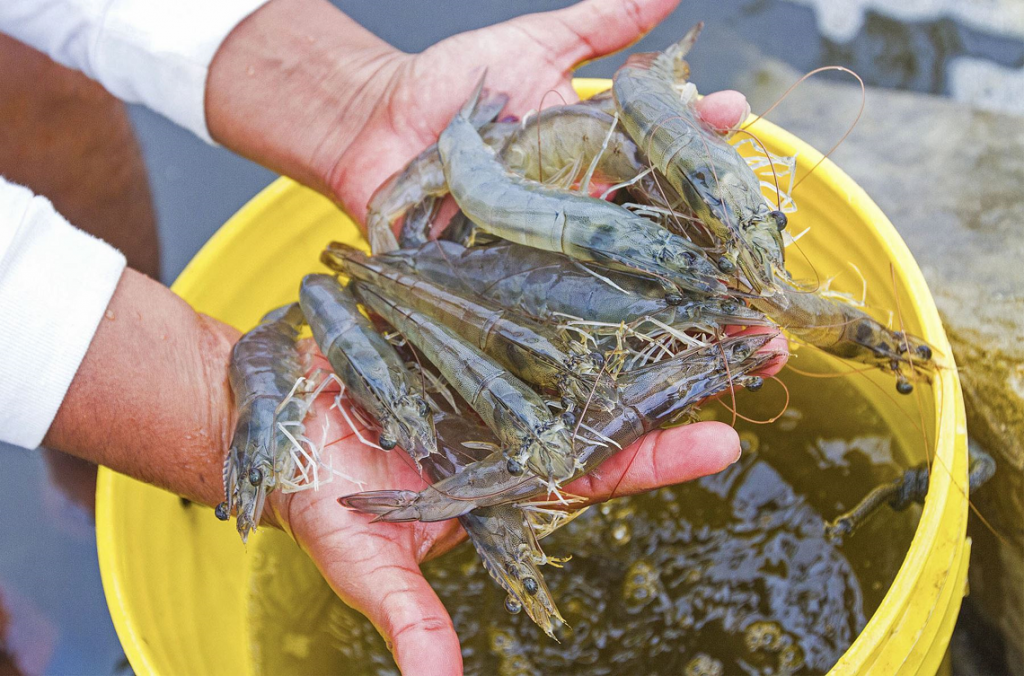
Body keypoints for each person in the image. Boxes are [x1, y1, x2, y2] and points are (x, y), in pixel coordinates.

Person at [0, 0, 783, 673]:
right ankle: (84, 467)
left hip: (443, 245)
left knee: (26, 80)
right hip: (414, 266)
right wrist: (197, 414)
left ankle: (82, 465)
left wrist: (357, 100)